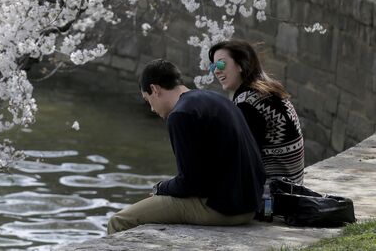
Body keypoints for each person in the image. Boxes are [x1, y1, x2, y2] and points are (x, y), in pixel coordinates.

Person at [107, 59, 265, 234]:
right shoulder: (217, 99)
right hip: (249, 205)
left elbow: (190, 184)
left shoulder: (180, 114)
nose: (151, 108)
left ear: (154, 89)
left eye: (148, 100)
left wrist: (160, 188)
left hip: (222, 210)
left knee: (119, 221)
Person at [208, 39, 305, 184]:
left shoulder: (247, 103)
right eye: (213, 66)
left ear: (240, 64)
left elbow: (241, 159)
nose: (216, 70)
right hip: (292, 186)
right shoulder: (269, 91)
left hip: (272, 197)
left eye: (221, 64)